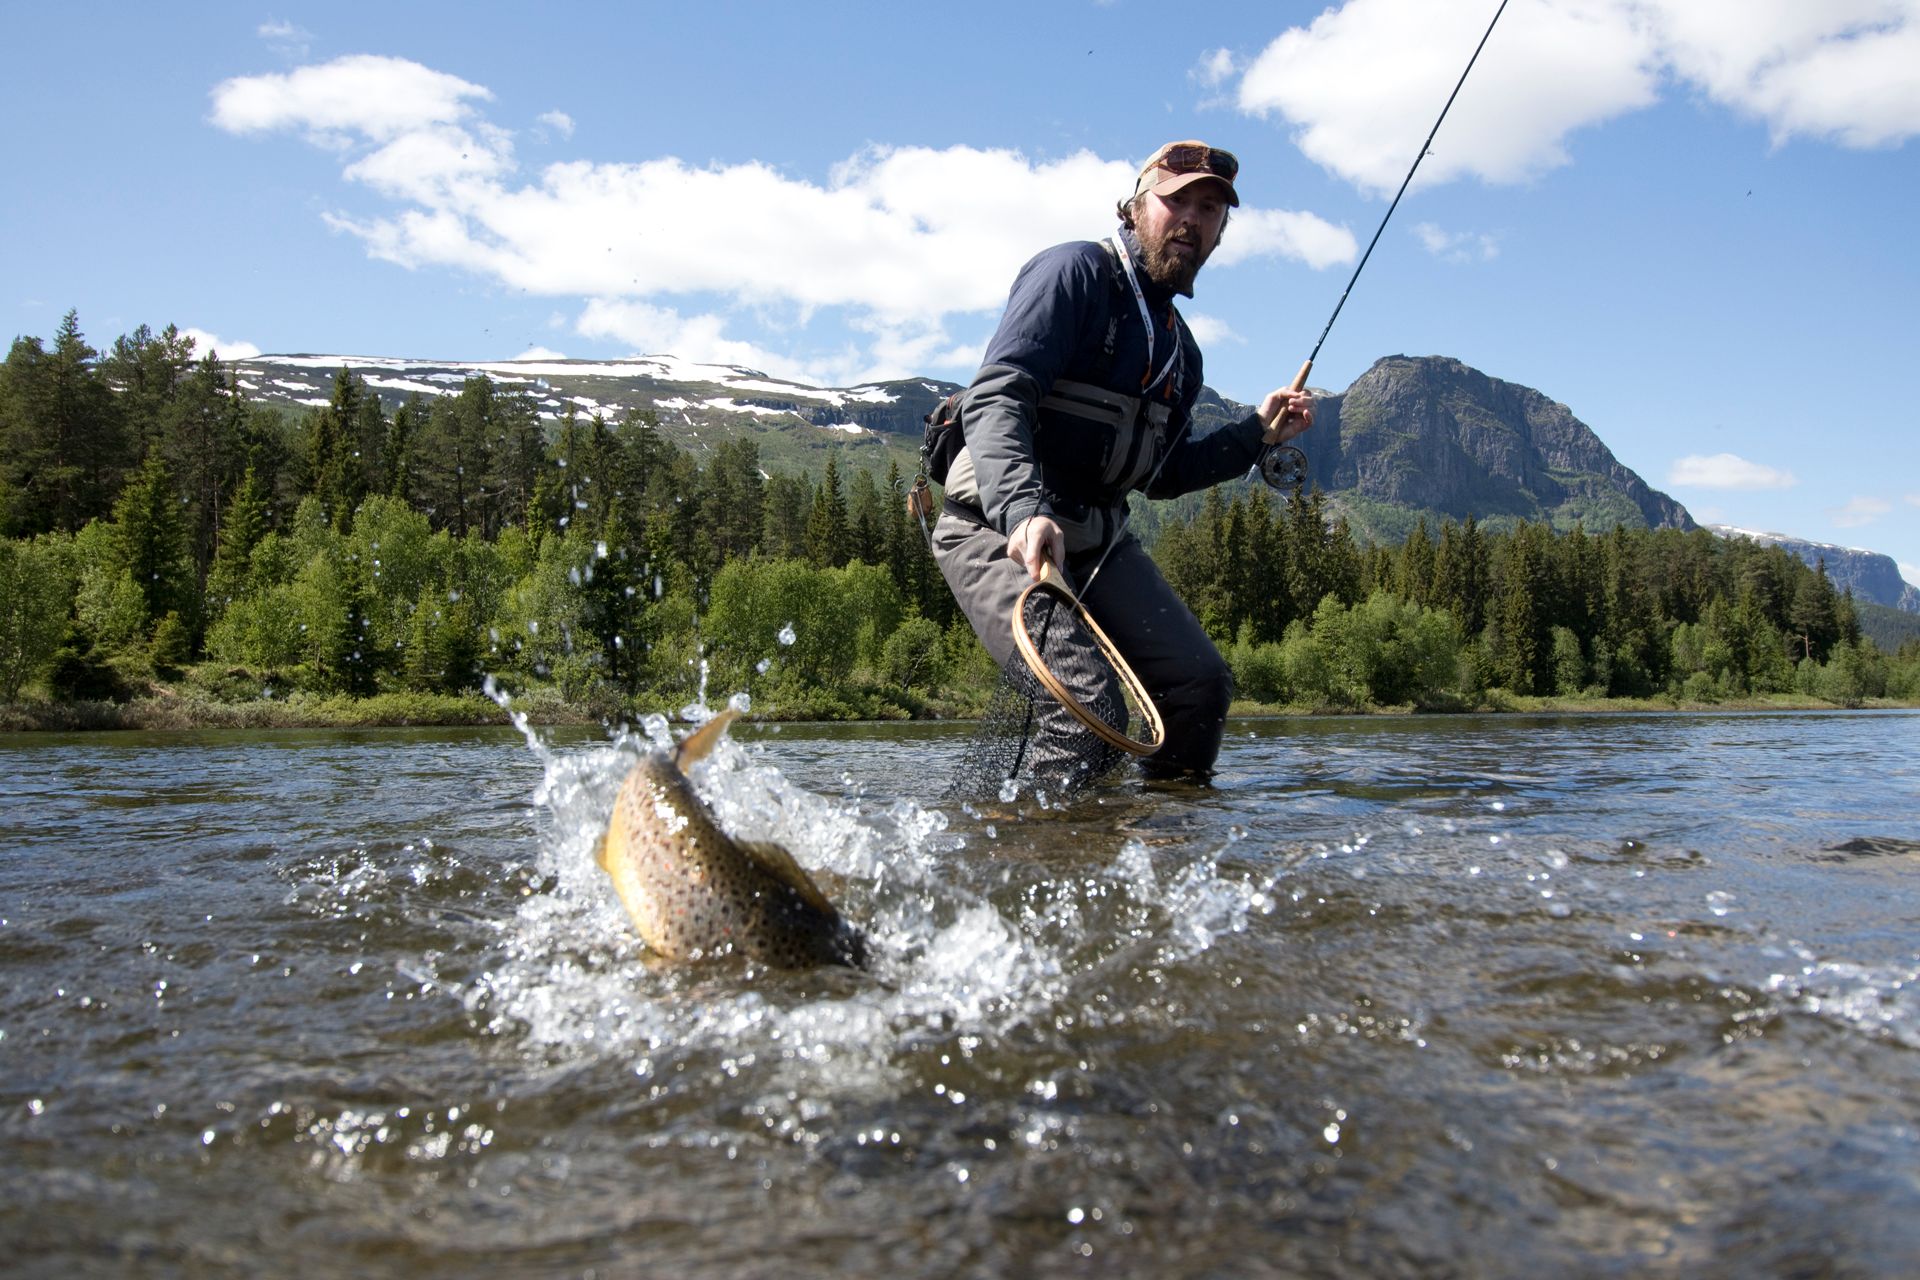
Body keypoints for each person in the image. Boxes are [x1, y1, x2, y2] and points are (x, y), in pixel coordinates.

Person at [932, 140, 1315, 780]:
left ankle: (1157, 851)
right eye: (1177, 201)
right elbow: (1000, 393)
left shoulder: (1183, 356)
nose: (1193, 219)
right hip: (993, 528)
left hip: (1099, 544)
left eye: (1211, 208)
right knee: (1086, 706)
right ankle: (1041, 866)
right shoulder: (1074, 273)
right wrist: (1024, 513)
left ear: (1222, 231)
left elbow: (1163, 476)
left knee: (1199, 685)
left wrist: (1255, 435)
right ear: (1138, 206)